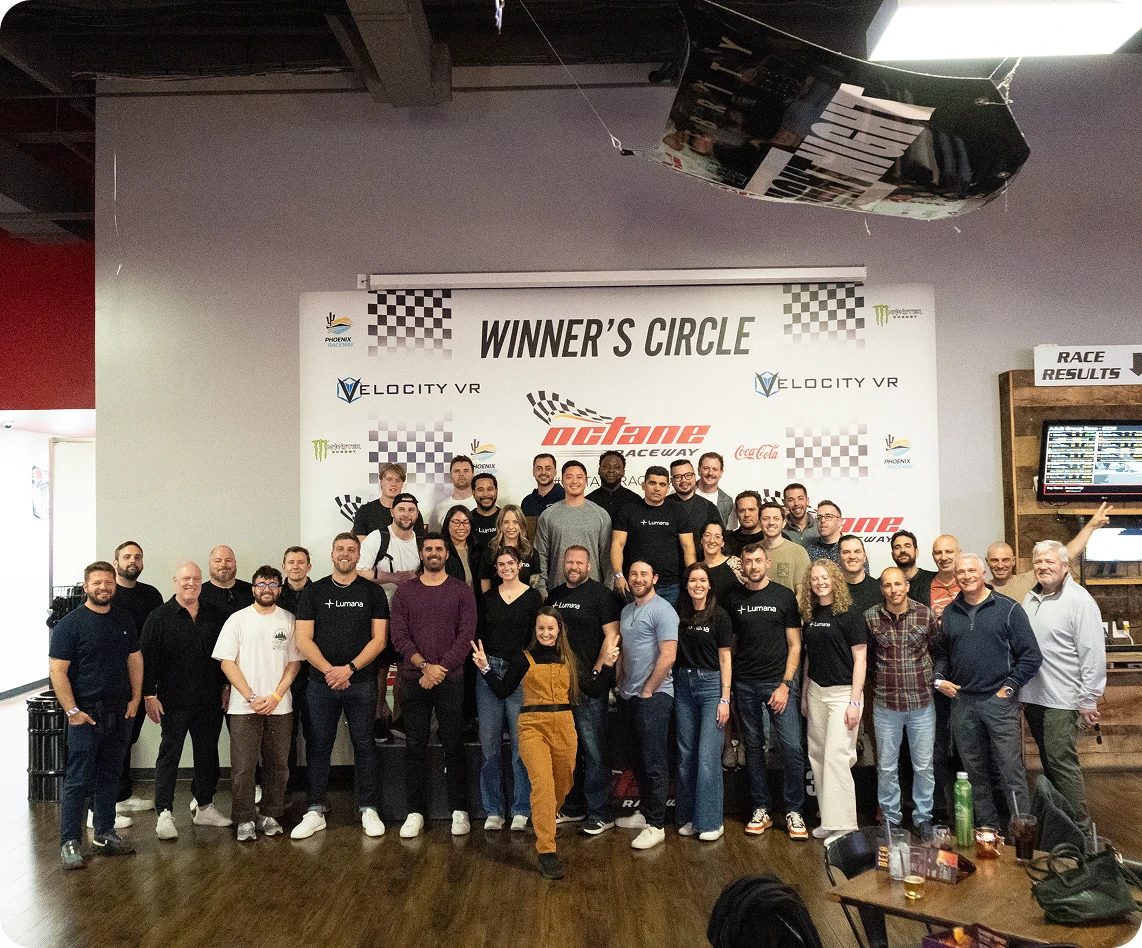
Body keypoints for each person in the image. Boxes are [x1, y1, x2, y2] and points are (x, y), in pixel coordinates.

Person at [290, 533, 389, 840]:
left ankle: (368, 808)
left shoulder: (373, 592)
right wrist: (330, 671)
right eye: (340, 549)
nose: (345, 553)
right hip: (321, 685)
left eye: (351, 549)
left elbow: (379, 640)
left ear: (359, 556)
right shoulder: (314, 591)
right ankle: (315, 810)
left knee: (365, 745)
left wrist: (349, 669)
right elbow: (303, 638)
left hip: (361, 682)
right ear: (332, 555)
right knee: (319, 747)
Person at [934, 553, 1042, 832]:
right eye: (961, 572)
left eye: (972, 571)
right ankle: (988, 830)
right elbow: (943, 655)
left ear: (983, 574)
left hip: (999, 702)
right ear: (955, 578)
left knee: (1010, 771)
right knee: (973, 773)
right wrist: (938, 678)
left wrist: (1009, 688)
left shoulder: (1008, 608)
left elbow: (1031, 655)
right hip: (963, 703)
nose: (966, 576)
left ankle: (1021, 834)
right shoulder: (950, 613)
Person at [471, 607, 580, 879]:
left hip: (564, 725)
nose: (546, 633)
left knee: (564, 782)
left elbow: (592, 686)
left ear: (559, 630)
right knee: (542, 785)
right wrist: (485, 668)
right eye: (541, 628)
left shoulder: (569, 658)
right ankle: (547, 851)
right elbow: (503, 690)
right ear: (535, 630)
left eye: (550, 628)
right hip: (532, 726)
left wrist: (608, 663)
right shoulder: (524, 658)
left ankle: (542, 818)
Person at [50, 561, 142, 869]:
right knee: (78, 779)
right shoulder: (70, 625)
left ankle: (104, 833)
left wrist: (135, 699)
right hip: (85, 714)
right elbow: (57, 671)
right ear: (86, 586)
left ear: (114, 585)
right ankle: (70, 842)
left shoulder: (124, 619)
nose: (104, 587)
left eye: (108, 582)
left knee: (110, 775)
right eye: (97, 583)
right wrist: (72, 710)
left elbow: (135, 660)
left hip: (120, 710)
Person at [389, 533, 477, 838]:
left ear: (446, 554)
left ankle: (459, 811)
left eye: (439, 548)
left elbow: (466, 635)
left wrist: (441, 669)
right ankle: (415, 812)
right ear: (421, 553)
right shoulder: (405, 592)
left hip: (450, 680)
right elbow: (398, 635)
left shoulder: (461, 591)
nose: (434, 553)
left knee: (454, 744)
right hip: (414, 679)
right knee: (415, 746)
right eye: (428, 549)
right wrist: (425, 666)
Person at [212, 566, 303, 841]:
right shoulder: (237, 620)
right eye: (261, 584)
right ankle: (244, 819)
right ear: (253, 588)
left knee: (278, 765)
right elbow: (227, 662)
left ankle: (270, 815)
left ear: (279, 589)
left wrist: (276, 696)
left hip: (280, 706)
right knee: (243, 767)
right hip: (244, 707)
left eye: (273, 584)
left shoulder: (289, 620)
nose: (267, 589)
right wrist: (251, 697)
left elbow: (294, 663)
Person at [723, 544, 808, 840]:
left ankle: (794, 811)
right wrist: (732, 684)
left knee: (792, 749)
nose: (753, 566)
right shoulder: (733, 598)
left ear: (767, 563)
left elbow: (795, 645)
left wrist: (786, 684)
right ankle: (762, 809)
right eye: (748, 561)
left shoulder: (783, 596)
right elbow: (731, 645)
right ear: (742, 565)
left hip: (778, 684)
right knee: (753, 748)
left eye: (758, 560)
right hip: (745, 684)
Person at [1020, 539, 1106, 829]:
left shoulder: (1080, 601)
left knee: (1061, 762)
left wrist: (1089, 698)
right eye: (1038, 562)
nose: (1043, 567)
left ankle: (1081, 832)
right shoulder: (1031, 598)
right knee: (1049, 762)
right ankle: (1061, 827)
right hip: (1034, 697)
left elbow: (1093, 652)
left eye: (1050, 562)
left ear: (1065, 566)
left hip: (1063, 698)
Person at [142, 562, 231, 839]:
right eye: (185, 579)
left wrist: (227, 686)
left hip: (210, 699)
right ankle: (164, 813)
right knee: (170, 755)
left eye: (195, 579)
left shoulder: (215, 615)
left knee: (208, 754)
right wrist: (149, 696)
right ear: (175, 581)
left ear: (201, 582)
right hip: (173, 700)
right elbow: (146, 660)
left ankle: (205, 806)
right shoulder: (159, 617)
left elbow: (226, 655)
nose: (190, 583)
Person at [545, 546, 621, 835]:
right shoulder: (554, 596)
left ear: (589, 566)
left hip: (588, 686)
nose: (573, 566)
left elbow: (612, 636)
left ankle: (600, 813)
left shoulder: (601, 595)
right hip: (559, 685)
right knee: (567, 750)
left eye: (579, 562)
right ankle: (573, 807)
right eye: (569, 562)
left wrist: (596, 674)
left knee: (593, 750)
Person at [866, 567, 940, 840]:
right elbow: (868, 657)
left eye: (898, 584)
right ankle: (890, 819)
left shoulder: (925, 614)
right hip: (886, 704)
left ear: (907, 586)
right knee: (886, 767)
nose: (893, 590)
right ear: (882, 589)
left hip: (921, 703)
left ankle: (923, 817)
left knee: (923, 767)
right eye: (887, 585)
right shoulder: (871, 617)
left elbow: (936, 650)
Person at [798, 559, 866, 839]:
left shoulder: (850, 614)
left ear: (835, 580)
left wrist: (854, 701)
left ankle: (846, 825)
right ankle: (829, 820)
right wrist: (805, 692)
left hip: (843, 695)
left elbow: (860, 659)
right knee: (817, 756)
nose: (820, 582)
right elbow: (809, 657)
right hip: (817, 691)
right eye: (815, 579)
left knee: (837, 757)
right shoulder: (810, 614)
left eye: (825, 577)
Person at [614, 561, 677, 850]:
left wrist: (649, 690)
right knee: (637, 759)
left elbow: (669, 655)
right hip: (629, 696)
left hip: (655, 696)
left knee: (654, 762)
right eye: (634, 574)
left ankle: (656, 825)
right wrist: (619, 683)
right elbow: (624, 651)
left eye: (644, 574)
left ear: (655, 578)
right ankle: (644, 813)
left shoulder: (663, 610)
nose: (638, 579)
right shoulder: (627, 610)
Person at [477, 547, 542, 831]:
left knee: (521, 747)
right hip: (488, 670)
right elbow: (479, 634)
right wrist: (483, 663)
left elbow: (535, 637)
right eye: (501, 564)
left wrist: (520, 663)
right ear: (496, 568)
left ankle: (521, 809)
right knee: (490, 748)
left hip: (521, 671)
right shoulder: (488, 598)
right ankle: (493, 810)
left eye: (511, 563)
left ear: (519, 565)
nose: (506, 568)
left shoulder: (533, 597)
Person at [674, 563, 733, 841]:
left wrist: (725, 698)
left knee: (707, 756)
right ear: (686, 585)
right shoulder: (677, 614)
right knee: (686, 755)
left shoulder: (720, 615)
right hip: (683, 685)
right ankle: (688, 817)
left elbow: (725, 658)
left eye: (702, 580)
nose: (697, 585)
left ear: (709, 585)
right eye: (692, 580)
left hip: (711, 686)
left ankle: (710, 822)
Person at [358, 492, 422, 743]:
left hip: (410, 617)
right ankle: (377, 719)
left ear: (417, 514)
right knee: (380, 671)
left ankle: (399, 718)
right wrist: (392, 578)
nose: (406, 514)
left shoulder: (421, 542)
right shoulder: (378, 537)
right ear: (392, 512)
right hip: (380, 615)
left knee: (407, 669)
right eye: (401, 509)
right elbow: (360, 571)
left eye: (411, 510)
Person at [109, 540, 163, 816]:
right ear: (115, 562)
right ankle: (106, 803)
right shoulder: (107, 593)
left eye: (138, 557)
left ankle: (122, 795)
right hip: (113, 681)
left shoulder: (151, 595)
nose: (133, 561)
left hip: (141, 680)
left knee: (128, 738)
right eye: (127, 556)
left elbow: (160, 636)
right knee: (112, 741)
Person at [986, 502, 1112, 603]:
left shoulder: (1027, 581)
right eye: (994, 560)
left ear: (1013, 561)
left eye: (1005, 560)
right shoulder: (980, 588)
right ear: (987, 562)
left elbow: (1067, 555)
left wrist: (1090, 526)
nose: (1000, 565)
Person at [612, 465, 697, 607]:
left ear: (667, 488)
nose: (657, 488)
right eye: (652, 483)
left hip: (670, 585)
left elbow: (688, 546)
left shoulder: (678, 511)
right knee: (636, 621)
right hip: (637, 583)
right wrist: (618, 575)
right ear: (643, 485)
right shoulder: (628, 510)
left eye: (662, 484)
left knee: (668, 621)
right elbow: (617, 544)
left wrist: (692, 577)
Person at [534, 459, 612, 597]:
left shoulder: (601, 515)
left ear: (586, 481)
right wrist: (541, 588)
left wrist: (608, 590)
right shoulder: (548, 515)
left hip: (593, 593)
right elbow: (541, 555)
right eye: (569, 477)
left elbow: (607, 557)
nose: (574, 481)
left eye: (579, 477)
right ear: (562, 481)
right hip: (557, 592)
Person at [278, 546, 314, 783]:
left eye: (301, 562)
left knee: (315, 734)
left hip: (313, 674)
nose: (296, 566)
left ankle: (314, 788)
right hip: (283, 674)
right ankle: (285, 787)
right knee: (285, 735)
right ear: (284, 566)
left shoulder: (320, 592)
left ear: (309, 567)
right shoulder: (274, 595)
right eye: (291, 562)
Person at [352, 461, 426, 540]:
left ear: (402, 484)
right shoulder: (365, 511)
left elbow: (419, 543)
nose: (393, 484)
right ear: (381, 482)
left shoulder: (412, 512)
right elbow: (362, 544)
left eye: (398, 480)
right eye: (389, 480)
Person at [480, 504, 537, 591]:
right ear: (500, 525)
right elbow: (485, 586)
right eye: (506, 522)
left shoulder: (531, 552)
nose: (510, 527)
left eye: (515, 522)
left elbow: (534, 586)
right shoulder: (489, 553)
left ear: (521, 525)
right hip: (496, 599)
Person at [759, 500, 810, 596]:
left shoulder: (798, 552)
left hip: (790, 606)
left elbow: (802, 593)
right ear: (759, 523)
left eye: (776, 518)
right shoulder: (753, 552)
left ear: (783, 523)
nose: (771, 522)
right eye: (766, 519)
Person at [667, 458, 722, 544]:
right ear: (671, 481)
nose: (684, 480)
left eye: (688, 475)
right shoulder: (662, 505)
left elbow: (720, 540)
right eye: (678, 477)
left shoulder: (709, 507)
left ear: (695, 476)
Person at [198, 544, 255, 618]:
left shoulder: (252, 591)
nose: (223, 564)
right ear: (209, 564)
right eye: (218, 561)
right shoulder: (198, 594)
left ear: (235, 563)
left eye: (228, 560)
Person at [587, 449, 640, 521]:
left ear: (623, 472)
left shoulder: (635, 501)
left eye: (617, 467)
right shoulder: (589, 502)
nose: (611, 470)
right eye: (606, 466)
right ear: (599, 470)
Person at [522, 452, 565, 538]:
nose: (543, 472)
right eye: (539, 468)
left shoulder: (565, 498)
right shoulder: (527, 502)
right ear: (533, 472)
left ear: (555, 472)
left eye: (548, 469)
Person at [698, 521, 743, 600]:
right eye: (707, 535)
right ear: (701, 540)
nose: (712, 541)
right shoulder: (698, 568)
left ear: (723, 542)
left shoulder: (734, 564)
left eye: (717, 536)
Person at [890, 530, 935, 609]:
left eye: (907, 546)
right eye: (897, 547)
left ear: (916, 552)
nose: (903, 550)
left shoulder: (933, 579)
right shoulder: (884, 584)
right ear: (893, 555)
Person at [431, 454, 477, 530]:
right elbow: (434, 536)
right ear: (451, 476)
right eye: (457, 471)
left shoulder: (482, 504)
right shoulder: (439, 508)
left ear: (473, 474)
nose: (461, 474)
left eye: (466, 470)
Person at [695, 450, 737, 529]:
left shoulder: (727, 501)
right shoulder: (684, 494)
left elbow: (728, 532)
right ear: (699, 470)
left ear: (721, 473)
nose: (710, 473)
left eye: (715, 469)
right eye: (706, 468)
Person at [839, 536, 880, 614]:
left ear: (864, 557)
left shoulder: (879, 590)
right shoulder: (831, 591)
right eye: (846, 552)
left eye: (857, 552)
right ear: (838, 558)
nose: (852, 556)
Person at [442, 504, 479, 589]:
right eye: (456, 522)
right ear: (447, 524)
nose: (461, 527)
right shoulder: (441, 552)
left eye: (466, 522)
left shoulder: (477, 550)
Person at [929, 535, 962, 619]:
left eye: (949, 552)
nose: (943, 557)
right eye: (938, 553)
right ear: (933, 556)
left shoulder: (970, 584)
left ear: (959, 553)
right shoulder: (922, 588)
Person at [726, 490, 765, 556]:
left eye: (751, 510)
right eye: (742, 511)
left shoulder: (771, 538)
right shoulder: (728, 541)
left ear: (760, 511)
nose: (747, 514)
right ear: (736, 513)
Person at [469, 472, 501, 552]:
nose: (486, 494)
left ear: (496, 491)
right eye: (480, 490)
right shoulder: (467, 520)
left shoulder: (506, 517)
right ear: (473, 493)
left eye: (490, 489)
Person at [782, 483, 819, 548]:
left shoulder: (820, 527)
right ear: (785, 503)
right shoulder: (780, 530)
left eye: (800, 498)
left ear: (807, 501)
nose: (796, 503)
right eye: (790, 500)